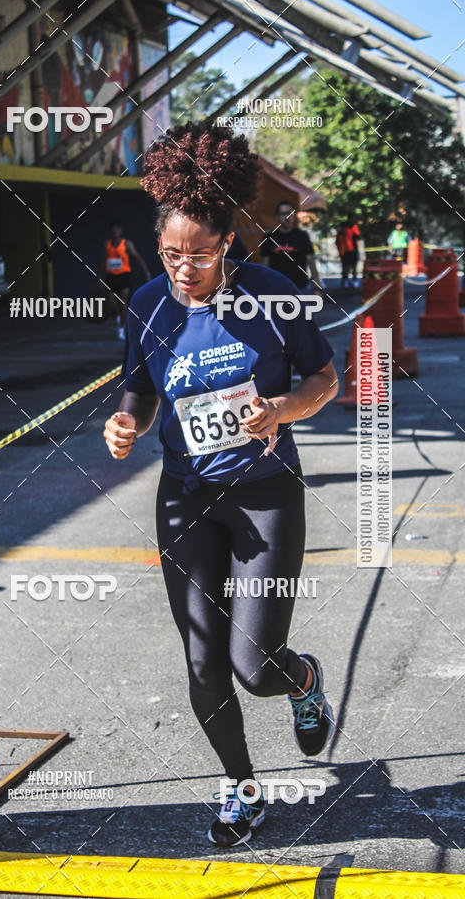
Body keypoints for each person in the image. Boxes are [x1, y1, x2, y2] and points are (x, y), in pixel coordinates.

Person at [103, 123, 338, 848]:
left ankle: (300, 681)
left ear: (227, 245)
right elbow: (138, 391)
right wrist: (126, 421)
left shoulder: (274, 294)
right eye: (171, 255)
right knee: (203, 661)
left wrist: (284, 409)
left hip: (265, 494)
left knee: (255, 665)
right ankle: (243, 790)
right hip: (185, 498)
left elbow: (325, 378)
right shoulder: (148, 303)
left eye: (198, 257)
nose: (183, 270)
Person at [96, 221, 151, 340]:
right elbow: (103, 262)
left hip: (124, 276)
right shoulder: (107, 244)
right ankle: (118, 317)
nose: (115, 232)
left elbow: (138, 258)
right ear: (110, 232)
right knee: (112, 305)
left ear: (121, 231)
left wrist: (146, 274)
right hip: (111, 277)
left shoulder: (126, 244)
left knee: (123, 303)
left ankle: (122, 328)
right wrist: (99, 278)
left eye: (117, 229)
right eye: (113, 229)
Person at [260, 200, 324, 295]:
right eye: (283, 214)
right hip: (276, 288)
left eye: (290, 213)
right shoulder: (269, 237)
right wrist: (262, 287)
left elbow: (311, 262)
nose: (287, 217)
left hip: (300, 287)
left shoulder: (302, 236)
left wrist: (318, 288)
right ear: (277, 217)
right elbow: (265, 265)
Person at [336, 212, 361, 288]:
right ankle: (355, 281)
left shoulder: (342, 227)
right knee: (354, 266)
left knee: (345, 266)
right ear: (352, 218)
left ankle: (345, 281)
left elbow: (337, 240)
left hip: (344, 250)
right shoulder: (354, 227)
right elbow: (359, 236)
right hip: (352, 250)